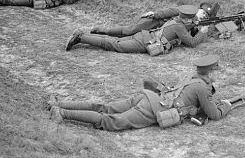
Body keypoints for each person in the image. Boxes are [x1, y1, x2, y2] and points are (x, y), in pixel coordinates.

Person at [48, 54, 232, 131]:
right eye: (217, 71)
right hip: (151, 110)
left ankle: (58, 103)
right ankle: (62, 113)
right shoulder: (202, 87)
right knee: (109, 121)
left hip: (147, 96)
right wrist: (226, 105)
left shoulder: (193, 78)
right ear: (211, 72)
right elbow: (214, 114)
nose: (219, 74)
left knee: (104, 107)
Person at [65, 5, 209, 55]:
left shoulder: (178, 21)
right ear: (188, 18)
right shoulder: (179, 26)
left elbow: (184, 29)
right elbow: (191, 42)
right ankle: (81, 37)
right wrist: (202, 33)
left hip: (145, 36)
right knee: (115, 45)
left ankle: (83, 36)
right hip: (145, 42)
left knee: (114, 42)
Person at [90, 2, 214, 37]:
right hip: (154, 23)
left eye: (205, 16)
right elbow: (168, 12)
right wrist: (154, 14)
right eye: (203, 12)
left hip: (159, 33)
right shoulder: (186, 11)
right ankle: (102, 30)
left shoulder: (196, 22)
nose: (203, 15)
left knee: (130, 38)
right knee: (129, 31)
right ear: (198, 9)